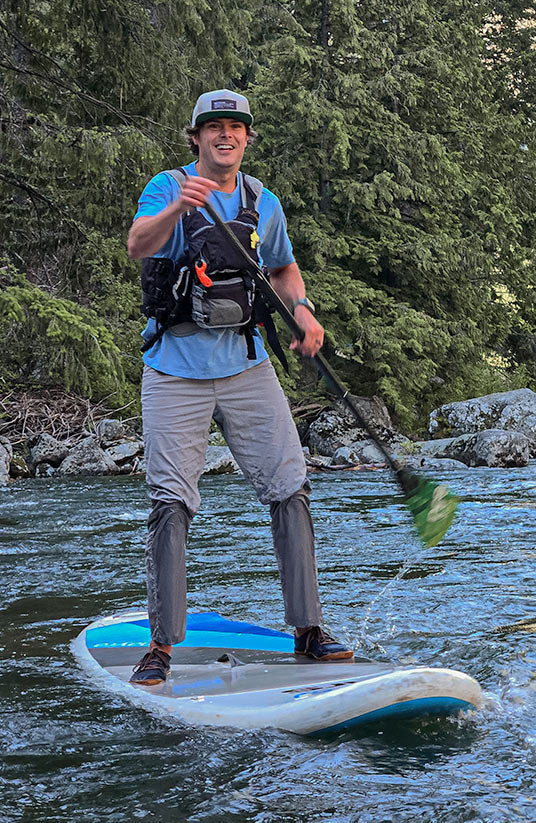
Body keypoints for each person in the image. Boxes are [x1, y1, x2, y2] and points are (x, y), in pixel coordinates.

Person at [127, 89, 353, 685]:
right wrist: (180, 207)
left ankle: (308, 631)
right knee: (171, 502)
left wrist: (301, 310)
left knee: (290, 487)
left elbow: (281, 267)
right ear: (195, 136)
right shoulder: (166, 186)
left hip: (248, 367)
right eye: (213, 127)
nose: (225, 135)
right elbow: (138, 244)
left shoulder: (262, 200)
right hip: (175, 368)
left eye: (235, 127)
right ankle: (161, 646)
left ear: (247, 137)